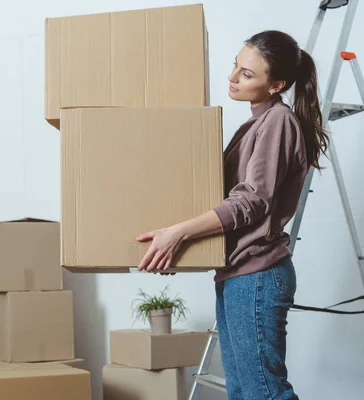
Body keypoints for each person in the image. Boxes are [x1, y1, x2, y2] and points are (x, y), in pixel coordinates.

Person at [135, 30, 329, 399]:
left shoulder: (277, 122)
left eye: (247, 74)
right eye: (235, 67)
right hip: (238, 275)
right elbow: (230, 202)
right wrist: (184, 246)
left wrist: (179, 233)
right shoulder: (255, 124)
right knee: (242, 391)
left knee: (263, 393)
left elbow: (252, 202)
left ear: (277, 85)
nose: (233, 78)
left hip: (257, 276)